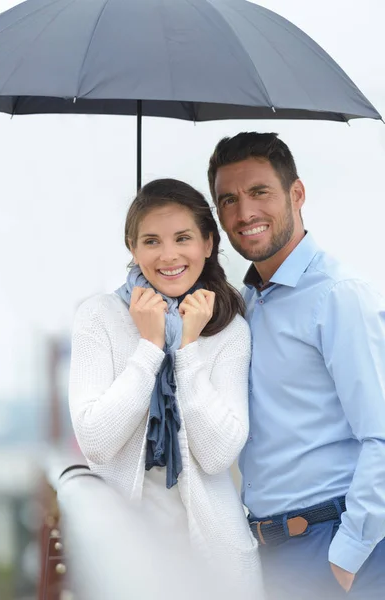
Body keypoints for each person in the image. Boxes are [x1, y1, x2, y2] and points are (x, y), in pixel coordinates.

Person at [207, 132, 385, 600]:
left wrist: (344, 560)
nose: (245, 213)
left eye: (259, 192)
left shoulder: (337, 296)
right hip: (270, 549)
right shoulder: (245, 304)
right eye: (229, 200)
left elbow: (382, 434)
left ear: (297, 194)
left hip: (334, 544)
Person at [68, 178, 263, 598]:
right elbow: (96, 442)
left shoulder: (229, 330)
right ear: (131, 246)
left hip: (218, 566)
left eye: (183, 238)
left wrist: (188, 349)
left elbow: (218, 455)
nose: (169, 255)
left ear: (208, 243)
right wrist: (150, 347)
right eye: (152, 240)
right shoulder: (98, 316)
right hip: (127, 560)